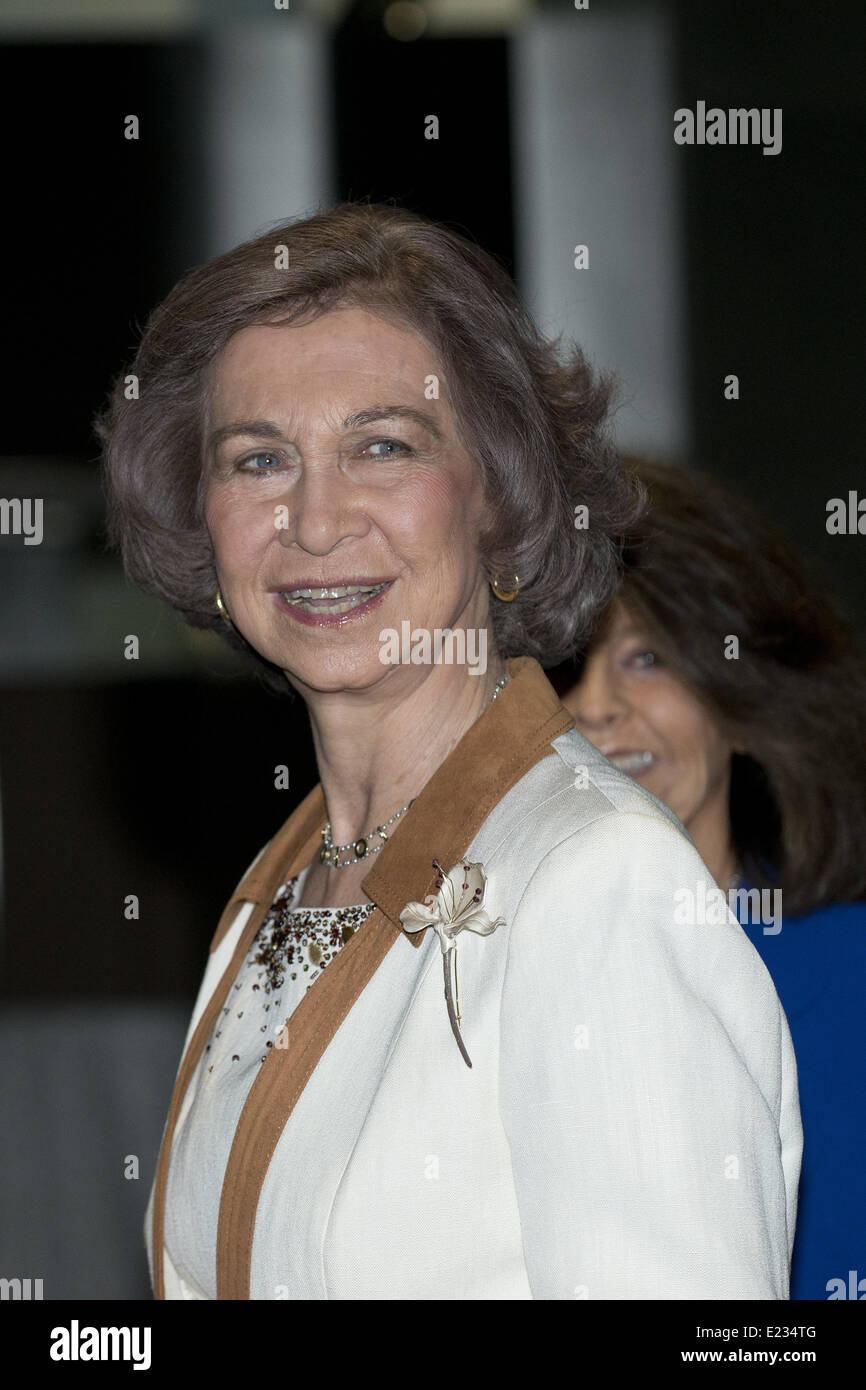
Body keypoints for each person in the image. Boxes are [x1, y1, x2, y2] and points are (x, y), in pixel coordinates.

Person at [97, 203, 801, 1300]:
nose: (316, 519)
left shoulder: (595, 882)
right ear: (202, 517)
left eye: (383, 444)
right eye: (258, 459)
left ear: (500, 492)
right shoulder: (271, 889)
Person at [556, 456, 866, 1300]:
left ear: (740, 701)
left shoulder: (850, 975)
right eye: (561, 670)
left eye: (647, 658)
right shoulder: (482, 984)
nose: (594, 705)